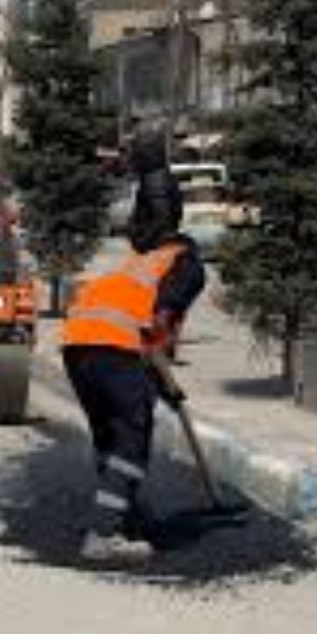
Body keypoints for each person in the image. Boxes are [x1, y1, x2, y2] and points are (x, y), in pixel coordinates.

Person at [61, 127, 207, 565]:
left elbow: (145, 334)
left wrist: (160, 378)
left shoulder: (140, 262)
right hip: (111, 346)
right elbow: (160, 323)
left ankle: (124, 517)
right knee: (133, 436)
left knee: (109, 435)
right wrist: (161, 372)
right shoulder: (186, 263)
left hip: (76, 343)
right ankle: (103, 536)